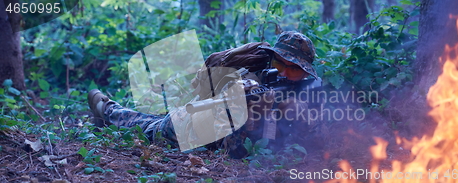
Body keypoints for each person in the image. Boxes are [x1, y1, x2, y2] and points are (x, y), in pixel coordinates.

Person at [87, 31, 322, 158]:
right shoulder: (247, 84)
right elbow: (235, 152)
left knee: (147, 122)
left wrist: (298, 116)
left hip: (196, 120)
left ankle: (104, 107)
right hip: (188, 128)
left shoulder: (294, 91)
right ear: (271, 58)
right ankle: (105, 109)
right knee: (146, 129)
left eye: (296, 70)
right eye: (281, 66)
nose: (287, 74)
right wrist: (258, 113)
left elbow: (306, 138)